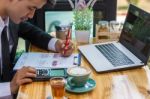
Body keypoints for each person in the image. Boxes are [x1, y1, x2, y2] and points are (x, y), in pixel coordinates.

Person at [0, 0, 74, 98]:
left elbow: (30, 31)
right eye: (30, 8)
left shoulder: (11, 17)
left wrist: (56, 44)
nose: (31, 15)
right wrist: (9, 87)